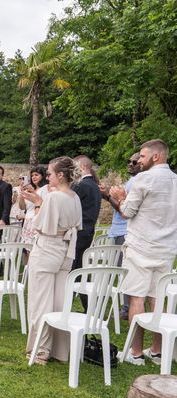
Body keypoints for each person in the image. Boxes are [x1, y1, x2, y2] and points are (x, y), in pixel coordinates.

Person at [110, 139, 177, 365]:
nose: (138, 160)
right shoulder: (176, 181)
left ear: (156, 156)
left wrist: (120, 197)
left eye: (142, 156)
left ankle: (136, 353)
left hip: (140, 247)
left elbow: (127, 212)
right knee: (158, 299)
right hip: (167, 249)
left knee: (136, 298)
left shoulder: (143, 178)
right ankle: (157, 351)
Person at [23, 156, 82, 365]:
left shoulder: (55, 198)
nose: (47, 177)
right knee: (58, 300)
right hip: (65, 251)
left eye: (49, 173)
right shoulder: (74, 196)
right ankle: (59, 350)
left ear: (61, 175)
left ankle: (40, 350)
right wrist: (41, 201)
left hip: (47, 249)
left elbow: (39, 225)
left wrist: (38, 205)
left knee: (40, 301)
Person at [99, 152, 141, 320]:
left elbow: (126, 210)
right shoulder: (134, 181)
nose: (130, 164)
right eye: (129, 161)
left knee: (124, 270)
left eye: (135, 161)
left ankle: (126, 307)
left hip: (123, 231)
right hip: (120, 230)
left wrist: (109, 197)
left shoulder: (137, 182)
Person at [71, 155, 102, 311]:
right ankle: (89, 309)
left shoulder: (82, 185)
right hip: (87, 232)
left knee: (73, 272)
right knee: (81, 272)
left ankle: (69, 307)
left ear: (82, 167)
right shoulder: (94, 185)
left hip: (79, 233)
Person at [20, 166, 49, 243]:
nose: (34, 177)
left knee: (33, 246)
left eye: (36, 175)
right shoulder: (30, 189)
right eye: (32, 175)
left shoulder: (45, 188)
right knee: (26, 247)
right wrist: (22, 193)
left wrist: (33, 191)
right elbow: (22, 207)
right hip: (27, 220)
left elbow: (43, 203)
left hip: (36, 219)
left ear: (43, 176)